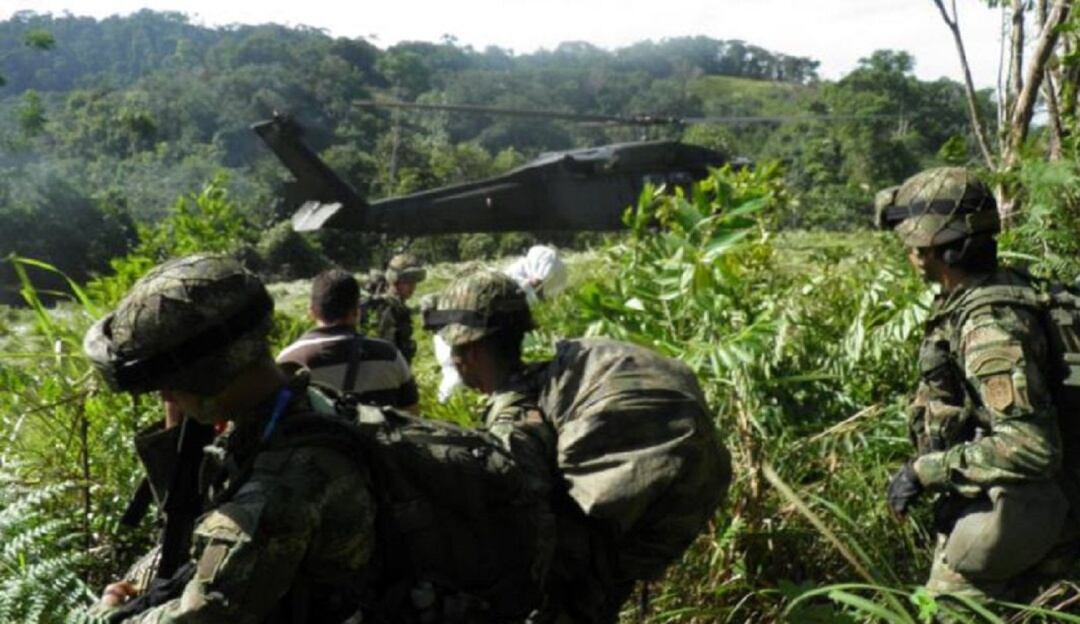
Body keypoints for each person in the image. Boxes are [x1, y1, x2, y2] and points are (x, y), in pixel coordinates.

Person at [82, 254, 375, 623]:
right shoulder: (306, 406)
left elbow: (203, 614)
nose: (166, 398)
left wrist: (103, 613)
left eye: (169, 386)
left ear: (206, 377)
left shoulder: (278, 489)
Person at [426, 270, 729, 623]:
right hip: (611, 565)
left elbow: (525, 533)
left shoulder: (514, 422)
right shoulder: (553, 382)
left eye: (455, 352)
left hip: (574, 588)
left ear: (472, 351)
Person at [877, 167, 1078, 601]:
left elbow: (1031, 445)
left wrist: (924, 470)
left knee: (950, 605)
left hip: (1030, 510)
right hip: (1043, 507)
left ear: (931, 248)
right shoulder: (1009, 288)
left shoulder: (987, 325)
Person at [277, 268, 419, 412]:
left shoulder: (290, 360)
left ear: (312, 311)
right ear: (357, 311)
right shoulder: (390, 355)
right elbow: (412, 414)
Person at [361, 253, 425, 363]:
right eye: (407, 281)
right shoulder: (386, 307)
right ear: (395, 280)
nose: (412, 286)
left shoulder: (398, 306)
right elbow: (386, 348)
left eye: (414, 281)